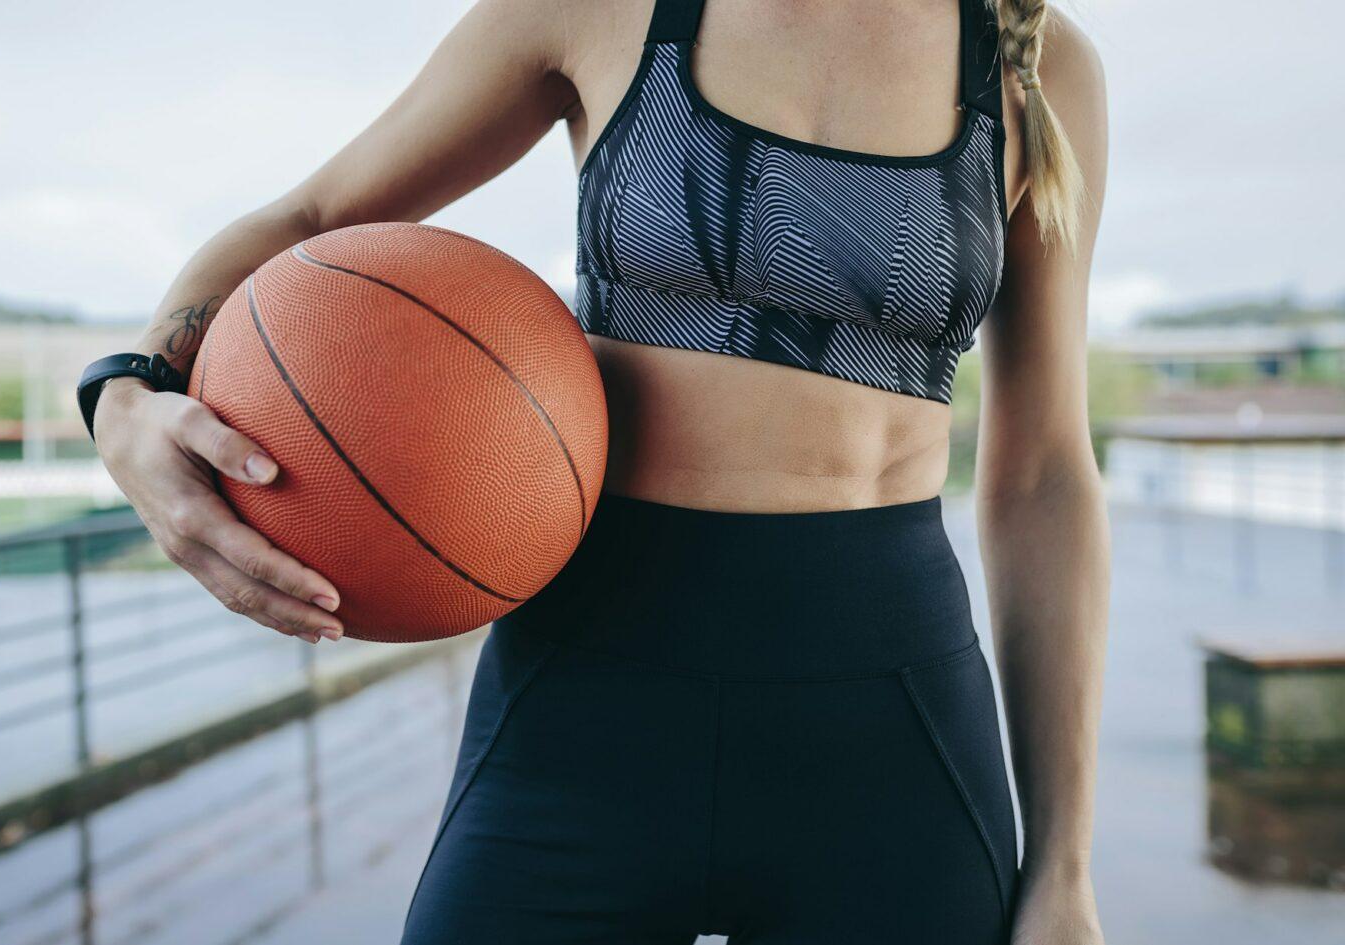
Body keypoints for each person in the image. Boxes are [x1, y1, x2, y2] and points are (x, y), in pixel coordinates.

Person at [85, 1, 1108, 941]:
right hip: (588, 693)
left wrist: (1064, 869)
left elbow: (1044, 473)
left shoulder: (1036, 67)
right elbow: (315, 220)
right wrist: (125, 390)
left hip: (887, 726)